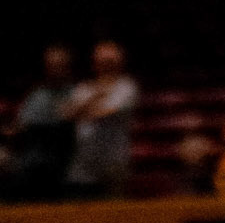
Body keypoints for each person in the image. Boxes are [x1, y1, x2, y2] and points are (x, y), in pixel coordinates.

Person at [63, 43, 138, 198]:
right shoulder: (84, 88)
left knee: (114, 215)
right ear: (95, 64)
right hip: (84, 164)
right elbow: (67, 114)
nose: (107, 67)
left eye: (111, 63)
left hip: (113, 163)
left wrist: (83, 109)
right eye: (103, 63)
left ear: (119, 63)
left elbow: (104, 113)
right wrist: (96, 96)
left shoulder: (126, 87)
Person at [5, 46, 77, 199]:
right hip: (32, 161)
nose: (55, 70)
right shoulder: (37, 95)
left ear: (68, 66)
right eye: (52, 65)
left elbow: (69, 122)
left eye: (60, 65)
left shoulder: (78, 92)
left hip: (65, 162)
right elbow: (21, 125)